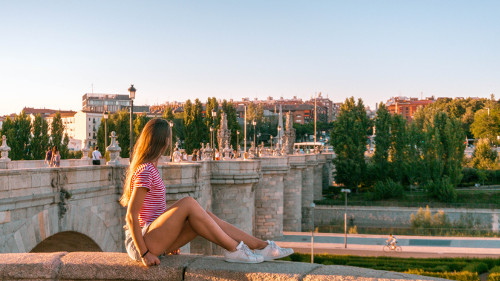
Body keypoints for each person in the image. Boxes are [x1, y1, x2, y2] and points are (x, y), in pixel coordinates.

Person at [121, 118, 293, 267]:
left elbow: (153, 214)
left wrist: (170, 236)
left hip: (153, 239)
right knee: (188, 202)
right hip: (140, 244)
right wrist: (144, 254)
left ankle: (262, 247)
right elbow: (131, 216)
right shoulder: (146, 170)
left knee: (207, 217)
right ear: (164, 141)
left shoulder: (150, 169)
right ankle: (235, 250)